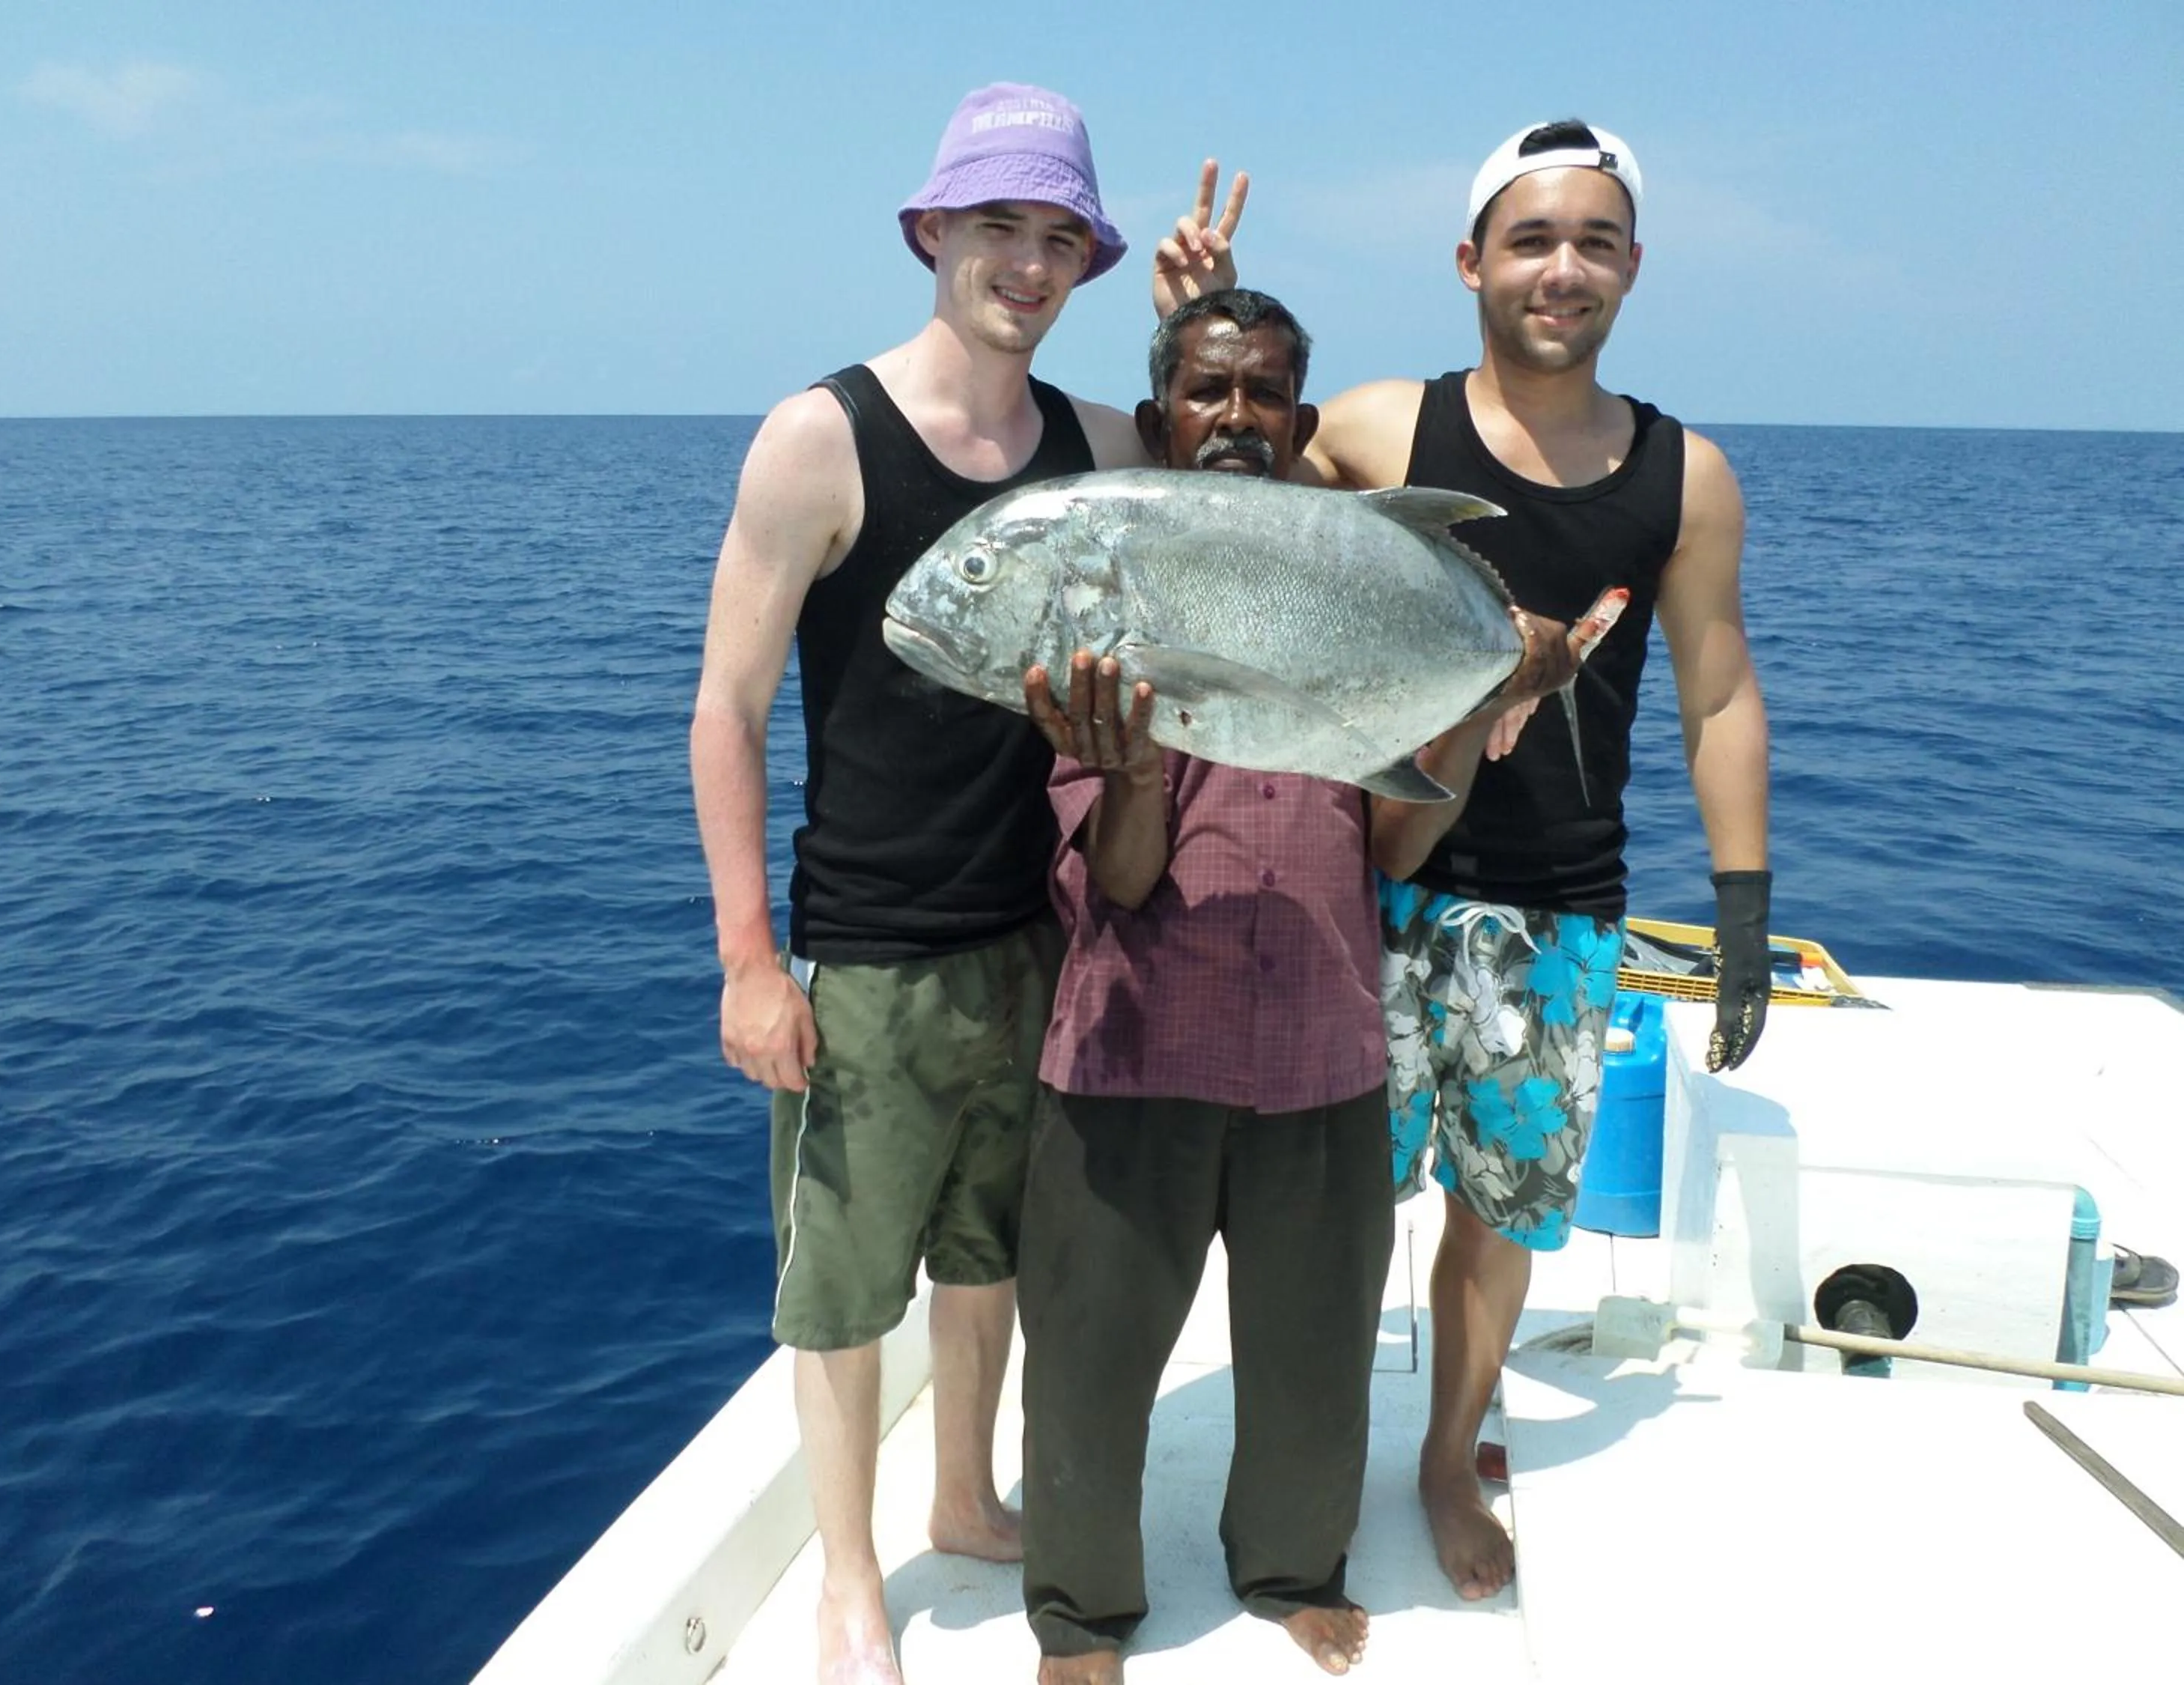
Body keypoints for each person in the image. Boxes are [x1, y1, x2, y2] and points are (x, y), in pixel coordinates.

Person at [688, 85, 1229, 1684]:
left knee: (987, 1256)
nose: (1029, 260)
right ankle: (852, 1576)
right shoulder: (821, 438)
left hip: (1038, 936)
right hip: (862, 951)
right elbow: (725, 706)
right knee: (847, 1287)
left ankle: (962, 1494)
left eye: (1060, 235)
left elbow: (1226, 462)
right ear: (932, 232)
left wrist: (1188, 328)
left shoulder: (1098, 443)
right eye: (999, 224)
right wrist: (748, 960)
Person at [1014, 288, 1599, 1684]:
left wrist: (1484, 701)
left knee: (1315, 1363)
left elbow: (1396, 837)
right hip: (1132, 1048)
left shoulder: (1357, 595)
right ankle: (1083, 1611)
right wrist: (1140, 771)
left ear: (1302, 424)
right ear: (1162, 418)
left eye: (1263, 393)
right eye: (1208, 393)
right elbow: (1125, 880)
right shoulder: (1107, 582)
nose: (1234, 418)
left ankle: (1290, 1565)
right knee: (1089, 1364)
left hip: (1323, 1042)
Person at [1301, 120, 1774, 1602]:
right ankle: (1308, 1451)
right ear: (1469, 262)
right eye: (1530, 239)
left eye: (1594, 242)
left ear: (1632, 268)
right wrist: (1197, 303)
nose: (1561, 269)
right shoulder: (1378, 431)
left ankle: (1445, 1450)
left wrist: (1745, 914)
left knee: (1502, 1207)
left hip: (1556, 903)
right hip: (1364, 880)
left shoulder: (1682, 476)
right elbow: (1221, 481)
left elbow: (1717, 692)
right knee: (1333, 1198)